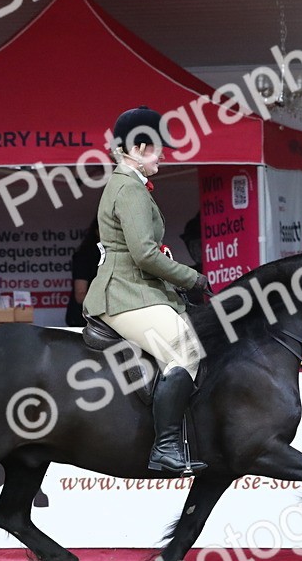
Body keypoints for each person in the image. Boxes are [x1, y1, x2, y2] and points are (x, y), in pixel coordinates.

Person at [82, 106, 211, 474]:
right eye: (157, 148)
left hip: (135, 289)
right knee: (185, 352)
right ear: (138, 148)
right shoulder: (129, 189)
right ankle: (165, 448)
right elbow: (143, 254)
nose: (164, 154)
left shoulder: (127, 184)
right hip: (124, 293)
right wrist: (191, 278)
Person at [65, 219, 100, 327]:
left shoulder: (113, 254)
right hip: (83, 320)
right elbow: (80, 295)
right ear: (97, 231)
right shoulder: (85, 256)